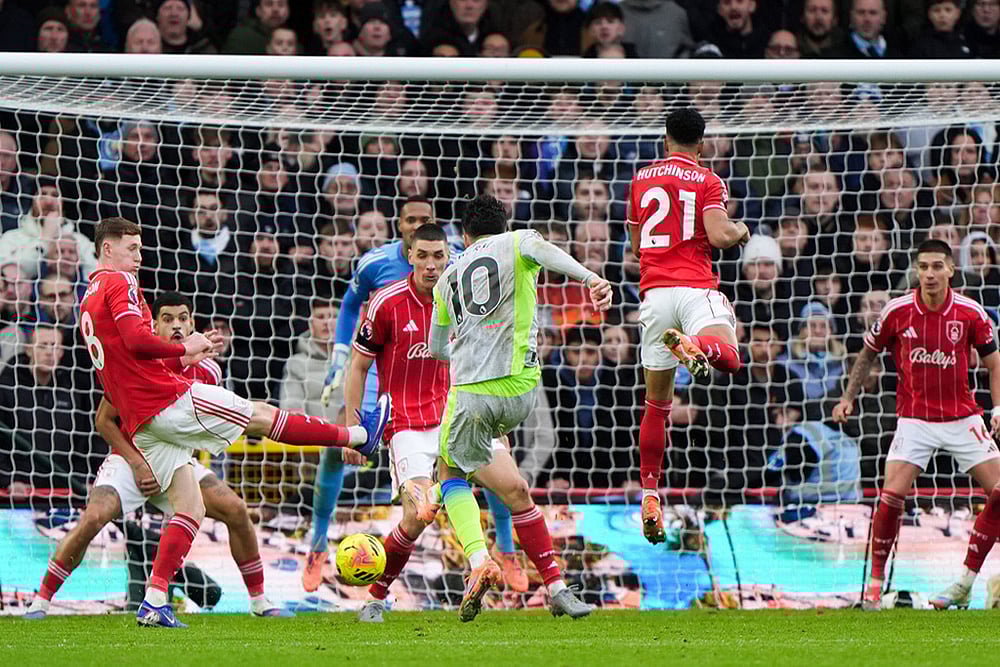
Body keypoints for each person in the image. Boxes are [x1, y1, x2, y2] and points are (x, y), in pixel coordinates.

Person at [74, 217, 391, 628]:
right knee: (259, 414)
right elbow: (136, 342)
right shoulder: (118, 283)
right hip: (165, 402)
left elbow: (125, 358)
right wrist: (187, 345)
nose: (139, 257)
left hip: (142, 417)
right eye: (132, 248)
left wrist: (181, 357)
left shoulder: (88, 297)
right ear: (107, 250)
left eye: (140, 248)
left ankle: (154, 600)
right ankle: (359, 435)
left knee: (190, 508)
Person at [23, 292, 293, 620]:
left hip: (177, 462)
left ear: (193, 324)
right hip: (130, 460)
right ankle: (41, 600)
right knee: (94, 517)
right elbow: (104, 421)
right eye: (168, 319)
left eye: (183, 318)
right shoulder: (139, 363)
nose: (176, 325)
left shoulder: (208, 371)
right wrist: (137, 464)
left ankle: (260, 601)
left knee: (236, 510)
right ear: (154, 325)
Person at [307, 197, 523, 595]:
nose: (417, 227)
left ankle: (505, 550)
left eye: (426, 221)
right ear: (402, 230)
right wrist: (340, 357)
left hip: (449, 378)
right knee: (339, 441)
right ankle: (317, 542)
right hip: (388, 366)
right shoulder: (376, 265)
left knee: (498, 467)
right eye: (411, 222)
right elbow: (350, 307)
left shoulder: (459, 266)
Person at [428, 194, 610, 622]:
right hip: (524, 390)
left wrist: (467, 339)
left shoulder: (445, 278)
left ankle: (479, 562)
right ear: (504, 223)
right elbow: (546, 252)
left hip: (474, 393)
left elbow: (438, 350)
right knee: (517, 492)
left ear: (464, 234)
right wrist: (590, 279)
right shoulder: (518, 241)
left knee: (449, 473)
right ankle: (558, 587)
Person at [833, 239, 1000, 610]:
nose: (929, 274)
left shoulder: (971, 313)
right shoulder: (897, 311)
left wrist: (998, 408)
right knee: (890, 496)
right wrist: (848, 397)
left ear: (950, 271)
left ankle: (964, 583)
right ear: (916, 271)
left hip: (963, 417)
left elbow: (994, 362)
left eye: (937, 266)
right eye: (923, 266)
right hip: (915, 420)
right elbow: (867, 354)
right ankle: (875, 588)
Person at [626, 107, 750, 544]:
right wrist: (741, 230)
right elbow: (717, 235)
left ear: (665, 139)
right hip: (695, 287)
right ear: (701, 145)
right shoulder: (709, 180)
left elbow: (636, 242)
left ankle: (650, 492)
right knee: (731, 358)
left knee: (656, 405)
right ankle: (693, 342)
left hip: (654, 296)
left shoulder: (640, 179)